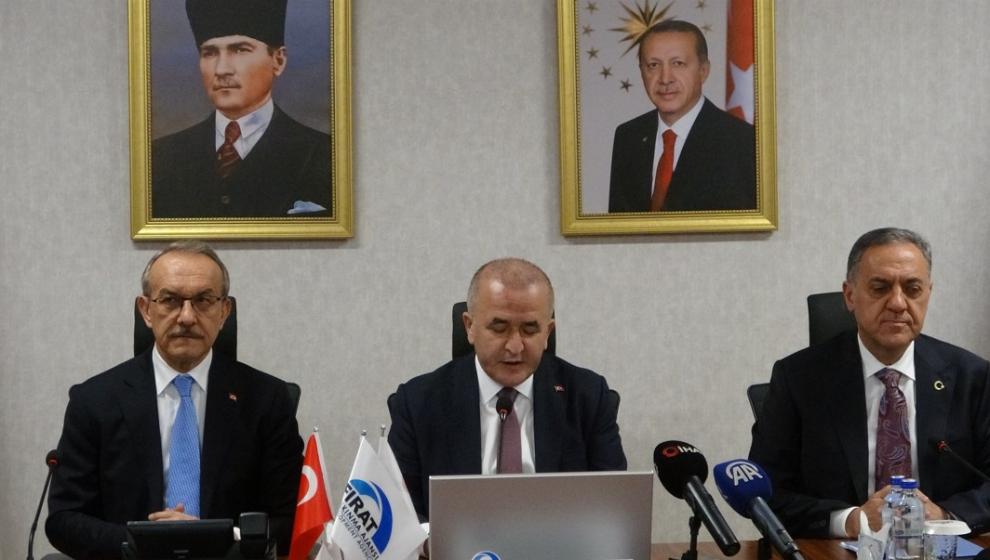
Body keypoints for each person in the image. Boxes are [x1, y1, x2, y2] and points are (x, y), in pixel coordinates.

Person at [46, 241, 303, 559]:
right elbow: (64, 519)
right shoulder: (94, 401)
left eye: (203, 300)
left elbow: (292, 517)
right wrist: (144, 541)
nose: (187, 317)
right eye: (170, 300)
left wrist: (221, 538)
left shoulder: (267, 400)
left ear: (224, 312)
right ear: (146, 310)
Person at [749, 228, 990, 538]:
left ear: (928, 293)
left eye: (913, 289)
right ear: (850, 296)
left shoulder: (972, 377)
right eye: (880, 288)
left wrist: (943, 515)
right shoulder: (798, 379)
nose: (898, 303)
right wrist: (851, 520)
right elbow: (765, 492)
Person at [387, 258, 627, 519]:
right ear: (469, 327)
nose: (515, 346)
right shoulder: (418, 403)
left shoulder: (588, 398)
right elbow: (401, 515)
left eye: (529, 330)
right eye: (499, 328)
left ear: (548, 332)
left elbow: (613, 507)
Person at [152, 0, 332, 218]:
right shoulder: (160, 158)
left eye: (240, 50)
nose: (222, 69)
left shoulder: (325, 156)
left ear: (278, 60)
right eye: (209, 53)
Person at [608, 20, 755, 213]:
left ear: (703, 71)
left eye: (678, 63)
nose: (665, 78)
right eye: (653, 65)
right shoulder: (628, 137)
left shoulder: (742, 141)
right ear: (642, 72)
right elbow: (619, 225)